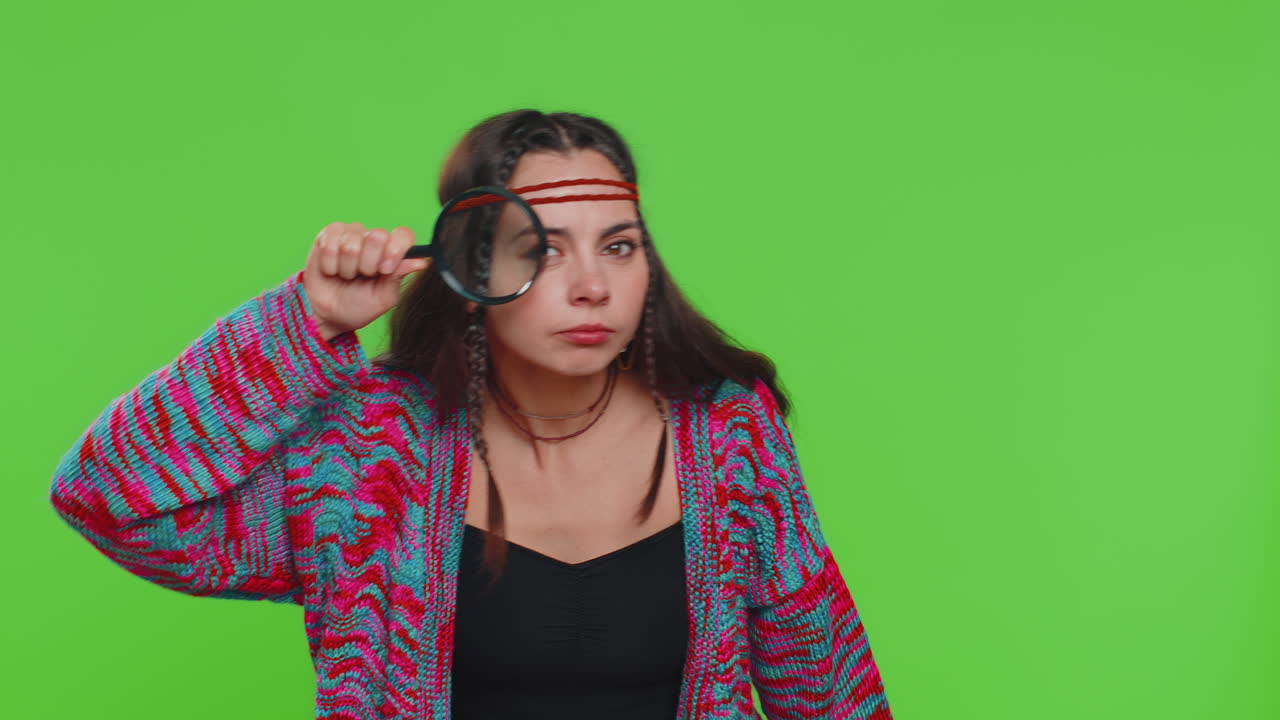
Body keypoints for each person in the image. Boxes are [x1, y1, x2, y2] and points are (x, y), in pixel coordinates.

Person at [49, 109, 894, 719]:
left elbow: (825, 685)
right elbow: (108, 497)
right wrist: (306, 321)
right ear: (469, 268)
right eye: (544, 249)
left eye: (620, 245)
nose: (592, 284)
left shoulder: (728, 432)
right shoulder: (372, 449)